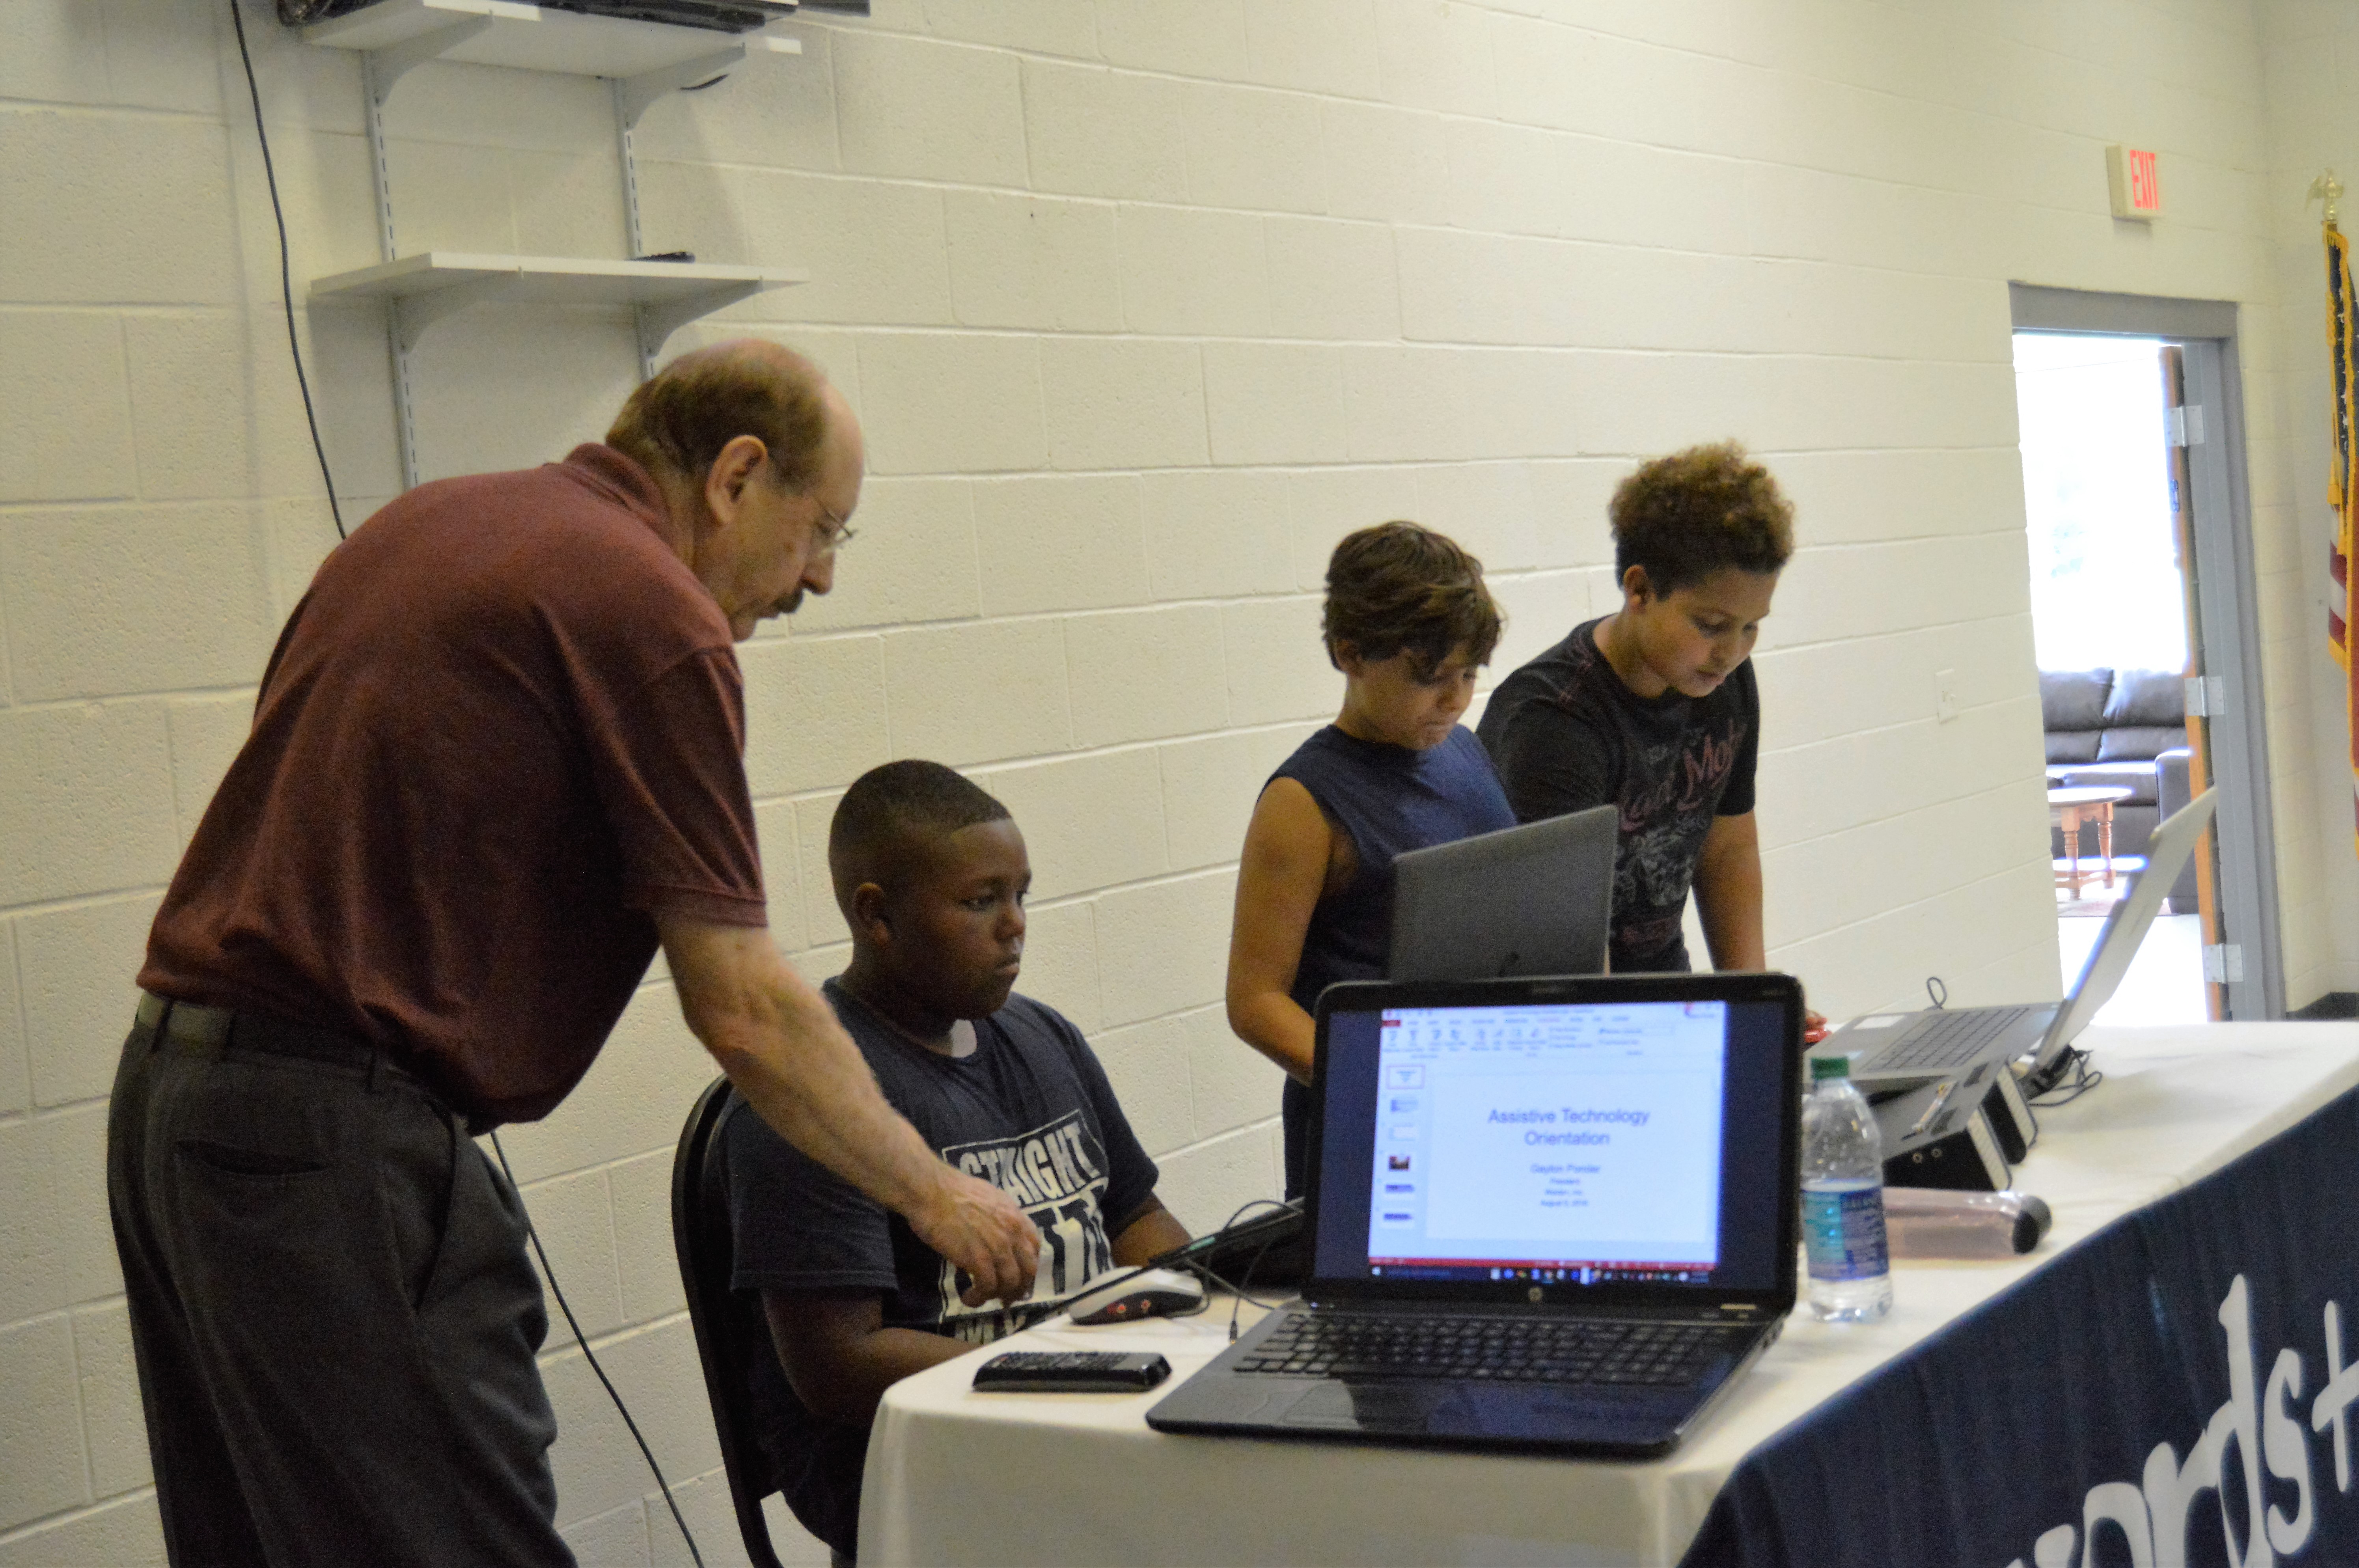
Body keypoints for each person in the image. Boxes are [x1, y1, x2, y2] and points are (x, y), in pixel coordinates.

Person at [106, 341, 1039, 1568]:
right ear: (736, 476)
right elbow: (744, 1005)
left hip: (175, 1106)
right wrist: (934, 1192)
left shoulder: (426, 525)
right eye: (822, 530)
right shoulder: (652, 611)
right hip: (334, 1146)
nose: (818, 576)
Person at [723, 760, 1189, 1562]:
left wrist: (1213, 1309)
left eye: (1021, 896)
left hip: (1068, 1421)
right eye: (980, 902)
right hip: (921, 1464)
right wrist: (1063, 1379)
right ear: (878, 915)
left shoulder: (1043, 1035)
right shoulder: (809, 1101)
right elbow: (838, 1366)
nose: (1015, 926)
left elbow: (1135, 1215)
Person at [1225, 522, 1516, 1199]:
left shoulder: (1464, 749)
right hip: (1375, 1127)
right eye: (1430, 677)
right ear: (1350, 654)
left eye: (1469, 674)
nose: (1455, 699)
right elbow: (1255, 1002)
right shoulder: (1302, 802)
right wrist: (1390, 1087)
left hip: (1478, 1104)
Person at [1478, 440, 1801, 992]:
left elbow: (1728, 848)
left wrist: (1757, 1001)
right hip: (1562, 1004)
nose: (1731, 652)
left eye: (1751, 626)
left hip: (1656, 989)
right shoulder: (1555, 720)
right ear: (1640, 589)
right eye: (1711, 625)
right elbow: (1569, 947)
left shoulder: (1725, 681)